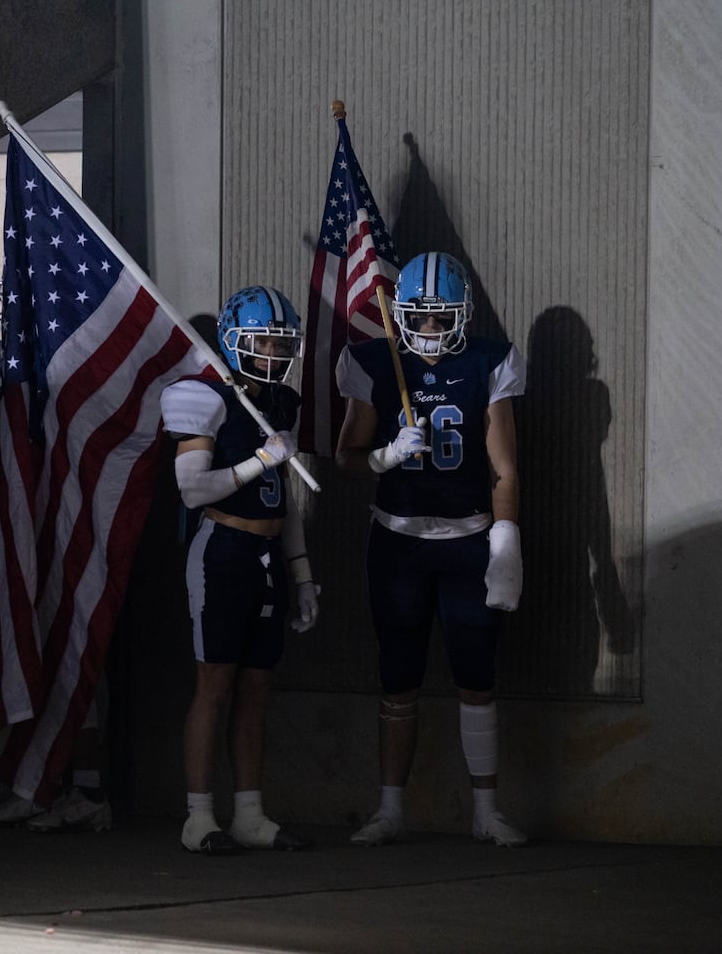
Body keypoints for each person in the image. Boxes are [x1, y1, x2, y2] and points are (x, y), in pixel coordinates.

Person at [334, 251, 528, 847]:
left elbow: (504, 466)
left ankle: (486, 811)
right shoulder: (373, 359)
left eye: (443, 319)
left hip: (469, 540)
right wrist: (385, 456)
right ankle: (391, 809)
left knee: (477, 676)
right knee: (398, 677)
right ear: (403, 314)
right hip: (399, 541)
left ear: (462, 315)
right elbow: (344, 456)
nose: (429, 331)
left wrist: (506, 536)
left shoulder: (487, 360)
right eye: (419, 319)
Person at [159, 285, 320, 854]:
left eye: (283, 343)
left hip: (269, 555)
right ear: (233, 342)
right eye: (265, 342)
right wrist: (258, 460)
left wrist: (301, 573)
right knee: (215, 685)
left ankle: (249, 812)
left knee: (257, 687)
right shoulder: (202, 395)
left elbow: (285, 497)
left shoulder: (282, 404)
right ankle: (199, 817)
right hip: (222, 550)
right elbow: (192, 488)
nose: (275, 354)